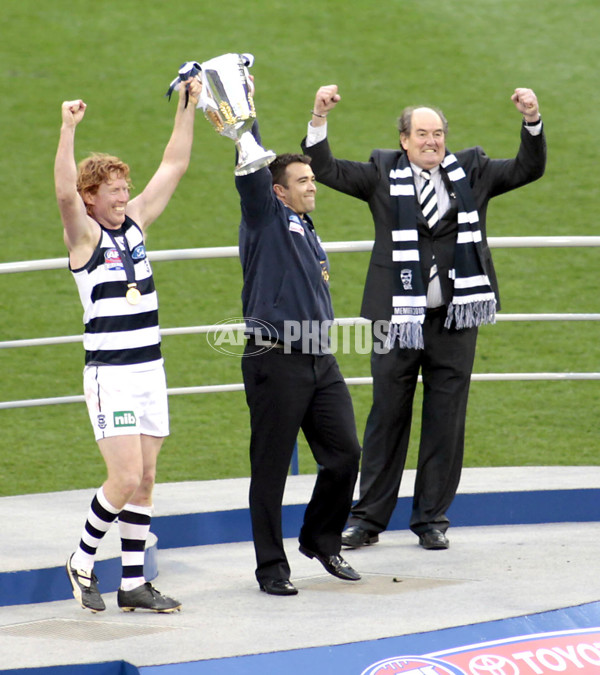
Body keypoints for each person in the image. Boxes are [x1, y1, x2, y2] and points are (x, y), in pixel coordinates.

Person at [302, 85, 546, 551]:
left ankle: (431, 518)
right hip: (395, 318)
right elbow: (326, 169)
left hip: (455, 318)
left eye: (438, 133)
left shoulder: (471, 170)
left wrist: (531, 120)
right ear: (403, 140)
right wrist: (319, 117)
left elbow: (527, 168)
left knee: (445, 418)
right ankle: (367, 519)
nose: (431, 141)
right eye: (421, 133)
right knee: (386, 417)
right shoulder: (380, 172)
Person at [54, 75, 202, 612]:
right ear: (91, 198)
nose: (124, 195)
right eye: (114, 189)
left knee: (147, 480)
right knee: (124, 475)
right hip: (111, 375)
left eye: (124, 187)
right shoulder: (84, 237)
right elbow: (62, 193)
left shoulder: (134, 225)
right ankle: (83, 558)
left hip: (149, 371)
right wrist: (68, 129)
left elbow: (174, 166)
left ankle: (133, 582)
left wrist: (187, 106)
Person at [232, 118, 362, 595]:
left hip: (320, 360)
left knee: (345, 454)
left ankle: (321, 540)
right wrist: (244, 118)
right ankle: (271, 568)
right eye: (303, 181)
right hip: (276, 359)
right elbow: (250, 171)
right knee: (270, 470)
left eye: (312, 179)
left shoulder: (303, 224)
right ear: (279, 192)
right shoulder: (264, 216)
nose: (314, 186)